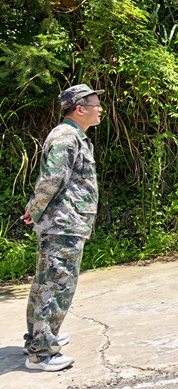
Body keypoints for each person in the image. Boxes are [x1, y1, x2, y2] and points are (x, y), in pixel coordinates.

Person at [21, 84, 105, 371]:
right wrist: (34, 208)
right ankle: (42, 353)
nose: (100, 109)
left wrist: (36, 209)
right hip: (62, 224)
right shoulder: (66, 138)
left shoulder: (73, 137)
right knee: (55, 287)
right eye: (96, 105)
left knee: (47, 284)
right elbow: (51, 180)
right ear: (80, 109)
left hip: (66, 222)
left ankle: (38, 338)